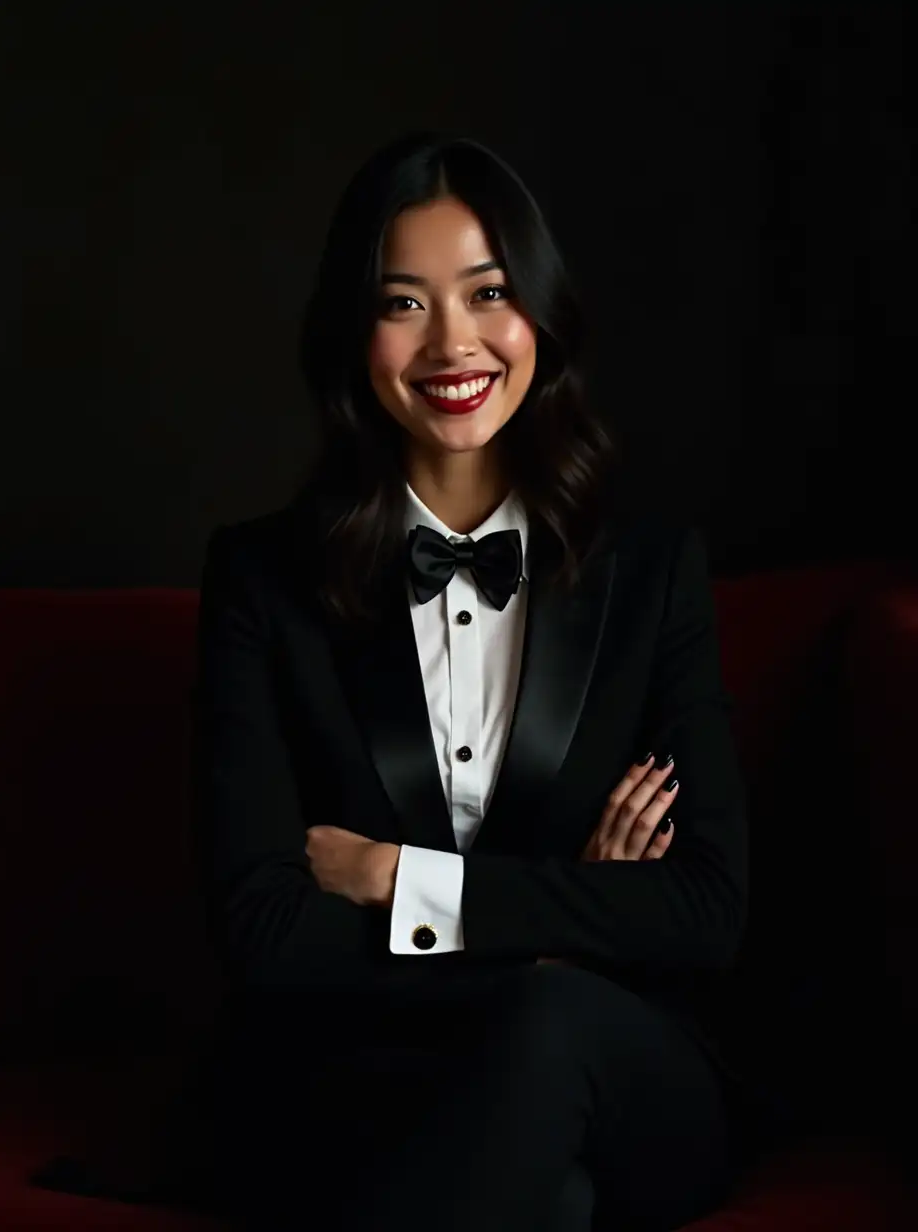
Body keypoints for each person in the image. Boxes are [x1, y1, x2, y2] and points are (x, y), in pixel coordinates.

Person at [192, 130, 758, 1232]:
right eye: (403, 301)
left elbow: (703, 909)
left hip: (618, 1064)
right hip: (374, 1079)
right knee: (551, 1199)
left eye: (486, 291)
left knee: (548, 1026)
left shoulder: (650, 575)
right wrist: (563, 921)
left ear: (538, 309)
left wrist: (408, 884)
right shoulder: (262, 580)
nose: (452, 341)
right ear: (352, 333)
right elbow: (261, 925)